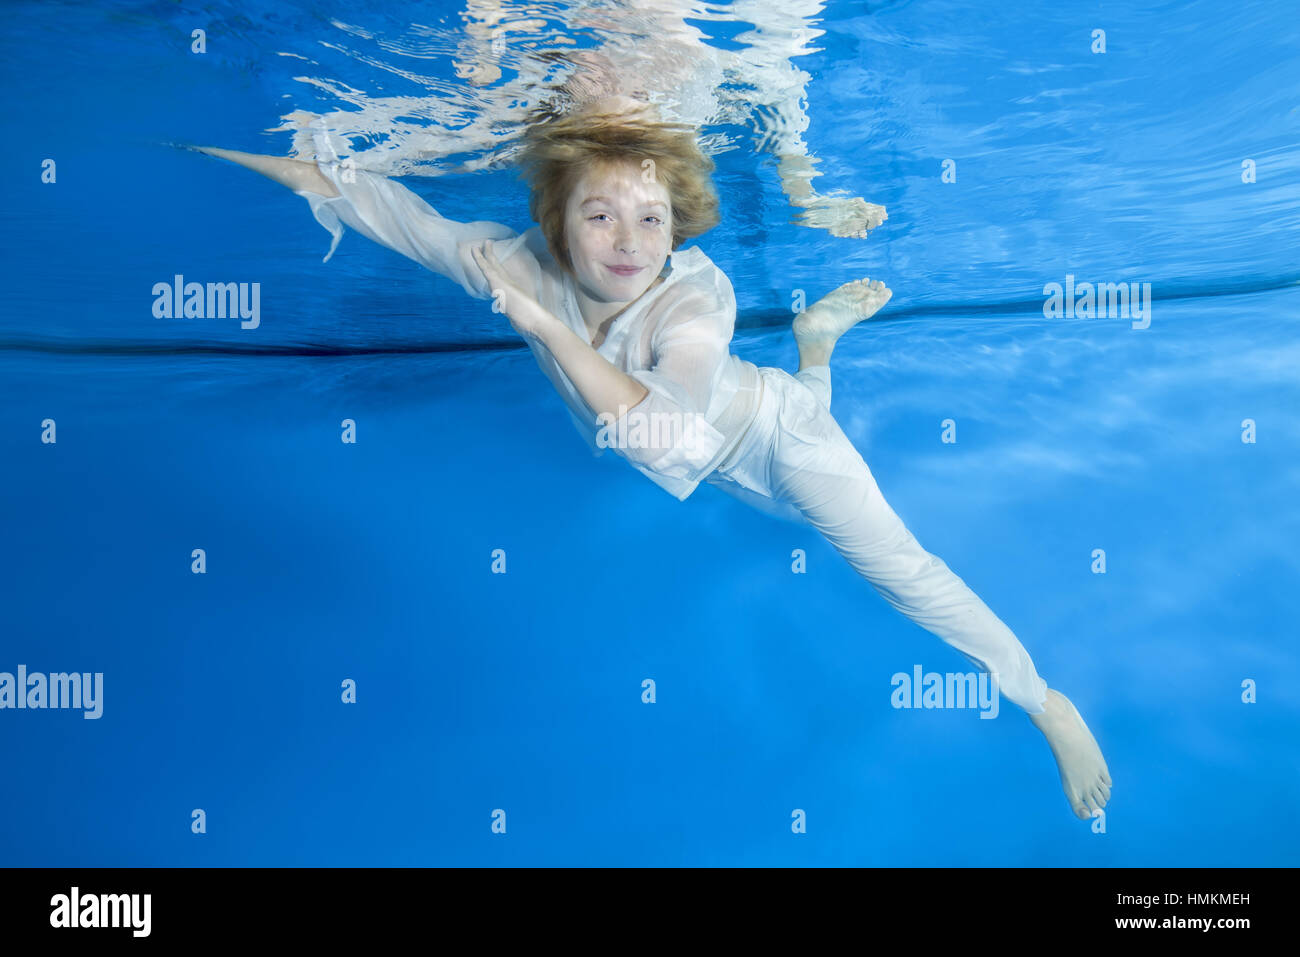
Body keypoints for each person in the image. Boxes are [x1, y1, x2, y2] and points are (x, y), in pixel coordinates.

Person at [192, 95, 1111, 821]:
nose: (631, 242)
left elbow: (664, 434)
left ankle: (1045, 703)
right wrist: (211, 152)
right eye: (600, 215)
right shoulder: (513, 262)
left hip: (776, 437)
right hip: (726, 464)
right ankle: (818, 339)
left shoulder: (696, 298)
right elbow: (391, 211)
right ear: (556, 223)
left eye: (652, 217)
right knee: (791, 505)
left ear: (677, 225)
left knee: (896, 565)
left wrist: (550, 328)